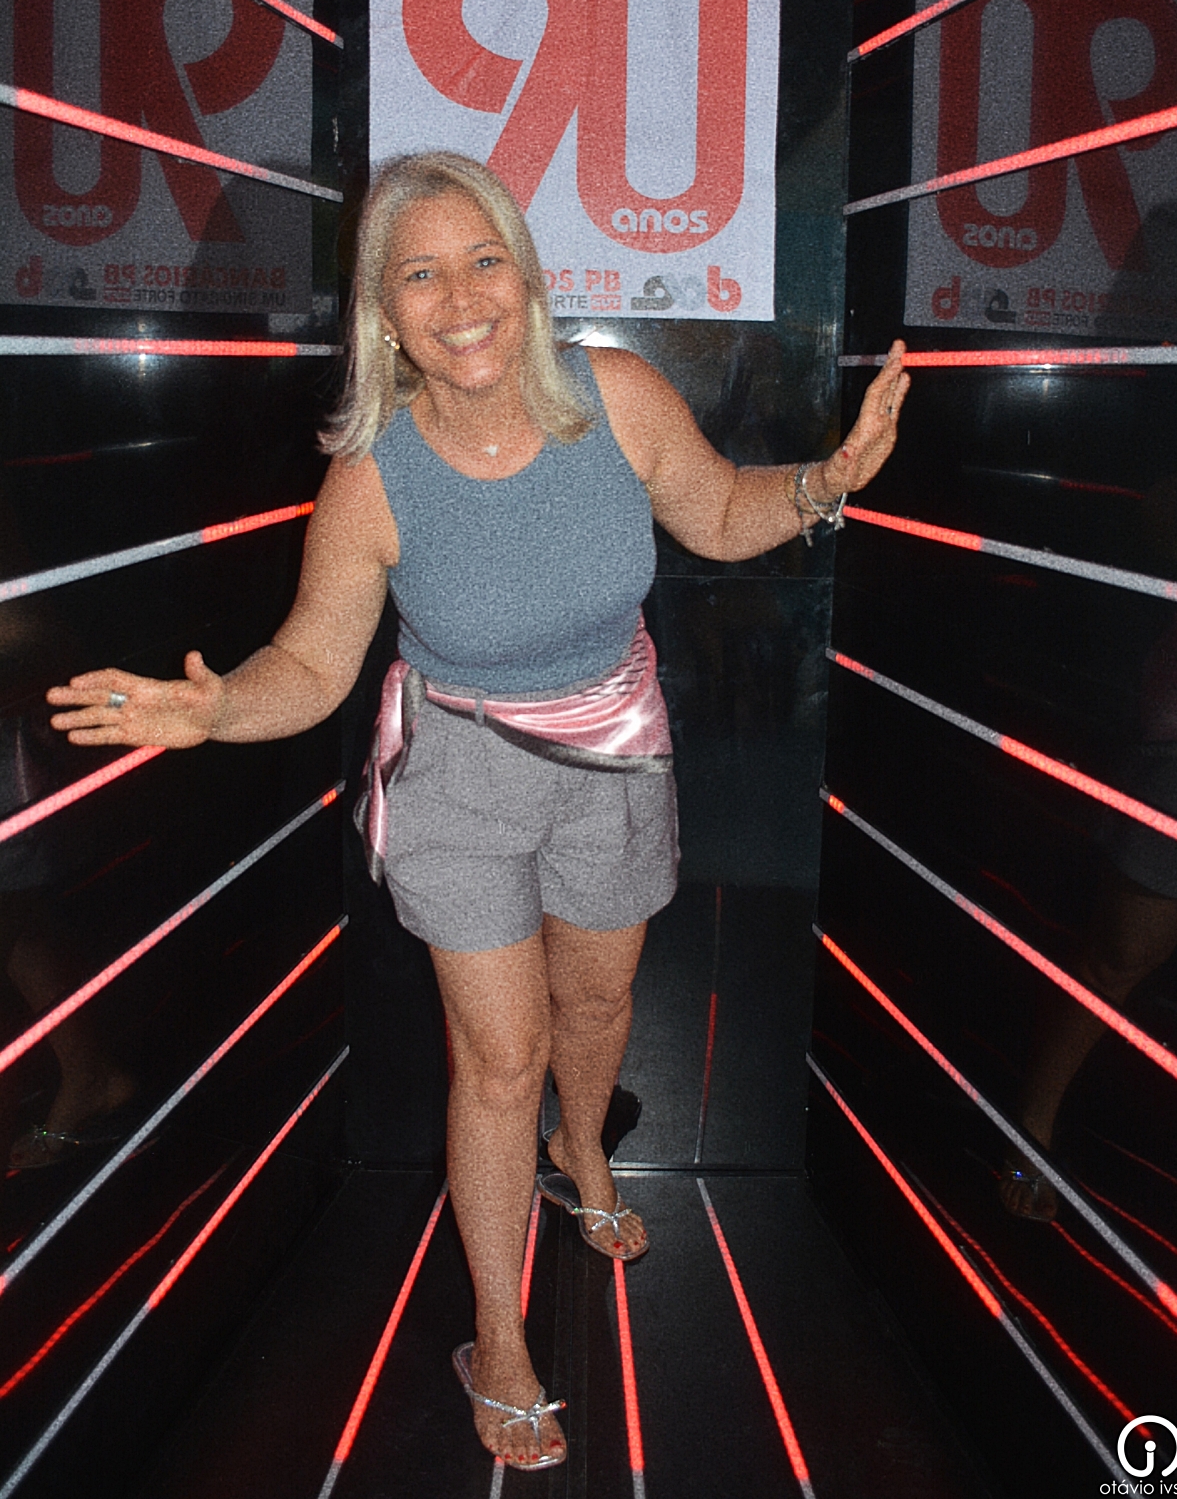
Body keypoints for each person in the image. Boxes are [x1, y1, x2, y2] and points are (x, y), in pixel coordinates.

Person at [46, 152, 909, 1472]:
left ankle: (586, 1150)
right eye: (420, 275)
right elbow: (310, 666)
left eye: (483, 260)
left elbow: (723, 513)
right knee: (499, 1060)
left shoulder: (616, 398)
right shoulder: (374, 476)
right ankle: (497, 1343)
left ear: (528, 274)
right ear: (385, 315)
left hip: (614, 748)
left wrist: (826, 477)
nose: (460, 300)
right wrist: (215, 711)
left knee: (599, 1010)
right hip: (459, 777)